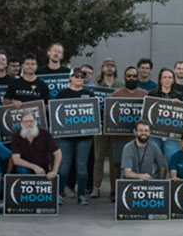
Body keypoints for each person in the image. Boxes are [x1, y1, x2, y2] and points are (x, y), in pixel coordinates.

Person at [53, 66, 94, 205]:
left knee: (82, 168)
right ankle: (59, 194)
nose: (79, 79)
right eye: (76, 76)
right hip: (65, 138)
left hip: (84, 138)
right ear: (70, 78)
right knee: (63, 168)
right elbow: (55, 114)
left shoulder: (89, 94)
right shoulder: (62, 94)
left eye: (82, 77)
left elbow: (94, 116)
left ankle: (81, 195)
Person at [109, 66, 148, 201]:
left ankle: (135, 191)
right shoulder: (116, 94)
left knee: (138, 165)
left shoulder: (144, 95)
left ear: (137, 78)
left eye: (134, 76)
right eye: (129, 76)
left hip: (138, 139)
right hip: (120, 137)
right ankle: (114, 191)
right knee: (116, 164)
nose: (131, 78)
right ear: (124, 77)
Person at [90, 58, 123, 199]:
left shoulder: (121, 85)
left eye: (112, 66)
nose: (109, 68)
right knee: (98, 158)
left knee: (114, 159)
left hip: (116, 128)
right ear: (102, 69)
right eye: (107, 66)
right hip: (101, 127)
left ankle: (113, 189)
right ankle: (96, 188)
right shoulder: (96, 85)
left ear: (115, 69)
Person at [10, 112, 62, 180]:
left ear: (35, 122)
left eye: (31, 121)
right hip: (26, 167)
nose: (29, 124)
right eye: (26, 121)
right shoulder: (16, 136)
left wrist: (54, 171)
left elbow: (58, 153)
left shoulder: (45, 133)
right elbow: (16, 160)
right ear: (21, 123)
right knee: (22, 170)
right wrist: (34, 167)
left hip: (43, 167)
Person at [148, 67, 183, 164]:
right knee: (155, 160)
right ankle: (156, 178)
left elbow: (182, 116)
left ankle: (173, 178)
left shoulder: (178, 96)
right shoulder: (151, 95)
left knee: (172, 158)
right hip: (154, 133)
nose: (167, 80)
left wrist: (179, 105)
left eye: (170, 77)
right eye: (165, 77)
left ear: (173, 80)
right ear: (160, 80)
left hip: (171, 134)